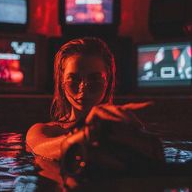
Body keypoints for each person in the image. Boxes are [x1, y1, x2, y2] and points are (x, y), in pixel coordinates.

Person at [26, 37, 163, 162]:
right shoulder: (44, 130)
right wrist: (88, 132)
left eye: (94, 80)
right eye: (73, 80)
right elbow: (39, 149)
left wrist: (137, 135)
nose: (83, 89)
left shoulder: (123, 125)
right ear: (61, 82)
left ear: (107, 81)